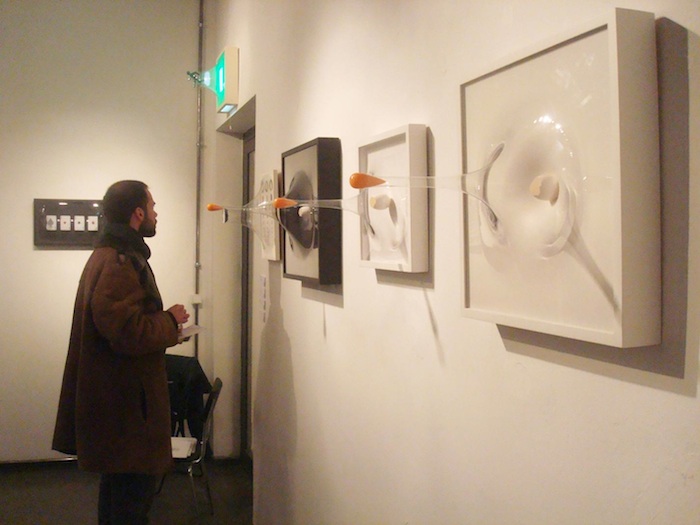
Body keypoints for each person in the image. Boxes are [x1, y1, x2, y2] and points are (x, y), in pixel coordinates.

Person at [52, 180, 190, 524]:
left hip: (120, 407)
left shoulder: (112, 255)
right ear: (138, 213)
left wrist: (164, 326)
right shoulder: (119, 261)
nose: (156, 213)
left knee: (118, 497)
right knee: (130, 503)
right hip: (127, 409)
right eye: (152, 206)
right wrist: (170, 321)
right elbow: (126, 332)